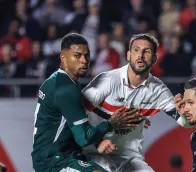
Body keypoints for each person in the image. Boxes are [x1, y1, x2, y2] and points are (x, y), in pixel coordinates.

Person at [31, 33, 143, 172]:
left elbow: (72, 124)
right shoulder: (66, 89)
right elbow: (83, 138)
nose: (84, 60)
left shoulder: (57, 81)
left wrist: (97, 143)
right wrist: (111, 123)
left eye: (87, 55)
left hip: (54, 156)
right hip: (55, 161)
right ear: (63, 58)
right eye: (77, 56)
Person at [82, 33, 191, 172]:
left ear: (154, 59)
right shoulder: (107, 81)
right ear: (128, 55)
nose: (140, 55)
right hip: (93, 153)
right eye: (136, 50)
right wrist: (97, 143)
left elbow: (184, 122)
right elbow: (75, 113)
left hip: (128, 158)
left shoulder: (158, 90)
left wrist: (184, 113)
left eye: (147, 51)